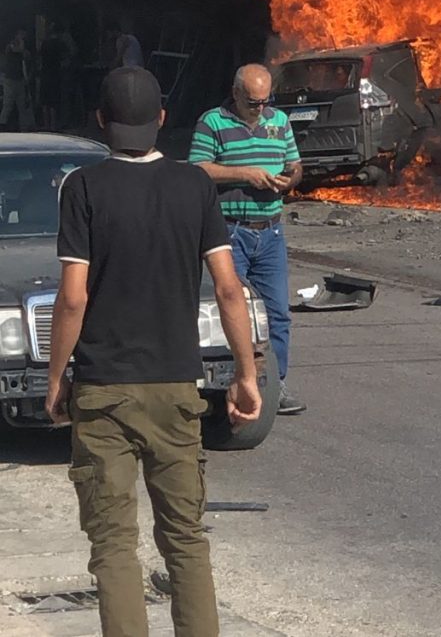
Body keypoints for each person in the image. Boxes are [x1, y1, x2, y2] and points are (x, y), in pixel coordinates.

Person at [46, 66, 261, 637]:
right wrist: (246, 373)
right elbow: (228, 288)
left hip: (104, 391)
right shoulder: (195, 185)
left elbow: (73, 297)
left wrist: (56, 377)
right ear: (162, 119)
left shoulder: (83, 187)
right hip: (175, 388)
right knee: (186, 540)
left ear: (101, 121)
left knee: (114, 545)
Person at [189, 63, 306, 415]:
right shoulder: (213, 122)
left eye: (266, 101)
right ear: (236, 93)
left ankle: (274, 385)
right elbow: (197, 169)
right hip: (230, 231)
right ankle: (232, 382)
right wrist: (244, 174)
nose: (260, 108)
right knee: (233, 311)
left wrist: (290, 179)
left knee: (277, 313)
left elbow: (295, 165)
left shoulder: (279, 121)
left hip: (270, 230)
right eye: (253, 102)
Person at [0, 29, 33, 129]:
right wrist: (21, 42)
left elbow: (27, 56)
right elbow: (18, 50)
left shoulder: (24, 50)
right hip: (10, 80)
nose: (23, 36)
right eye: (21, 34)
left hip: (20, 79)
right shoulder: (10, 46)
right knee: (8, 104)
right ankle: (2, 125)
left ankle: (24, 127)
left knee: (22, 105)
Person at [39, 21, 64, 131]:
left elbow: (40, 58)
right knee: (54, 101)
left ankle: (46, 125)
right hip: (55, 74)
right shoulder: (60, 44)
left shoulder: (44, 43)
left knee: (45, 101)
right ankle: (53, 125)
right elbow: (66, 57)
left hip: (45, 73)